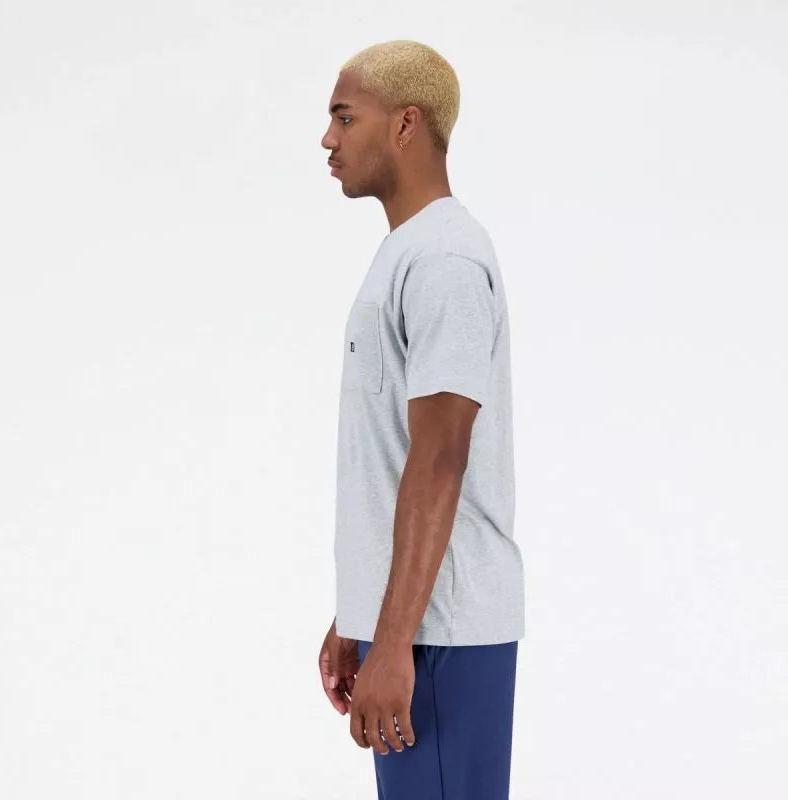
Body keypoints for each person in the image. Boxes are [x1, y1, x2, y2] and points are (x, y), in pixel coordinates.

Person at [317, 40, 525, 800]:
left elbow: (439, 459)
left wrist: (396, 639)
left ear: (406, 125)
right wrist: (360, 615)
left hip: (442, 634)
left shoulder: (443, 261)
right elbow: (389, 454)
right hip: (415, 628)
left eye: (346, 117)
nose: (328, 139)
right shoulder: (408, 253)